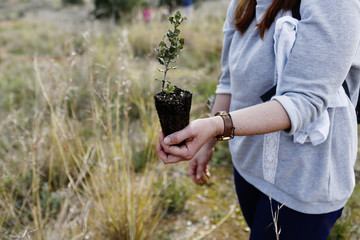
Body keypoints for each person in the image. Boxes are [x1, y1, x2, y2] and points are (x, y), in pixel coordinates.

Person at [157, 0, 360, 239]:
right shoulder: (242, 3)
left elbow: (305, 101)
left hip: (304, 182)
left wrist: (215, 126)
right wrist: (208, 141)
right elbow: (229, 80)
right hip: (248, 165)